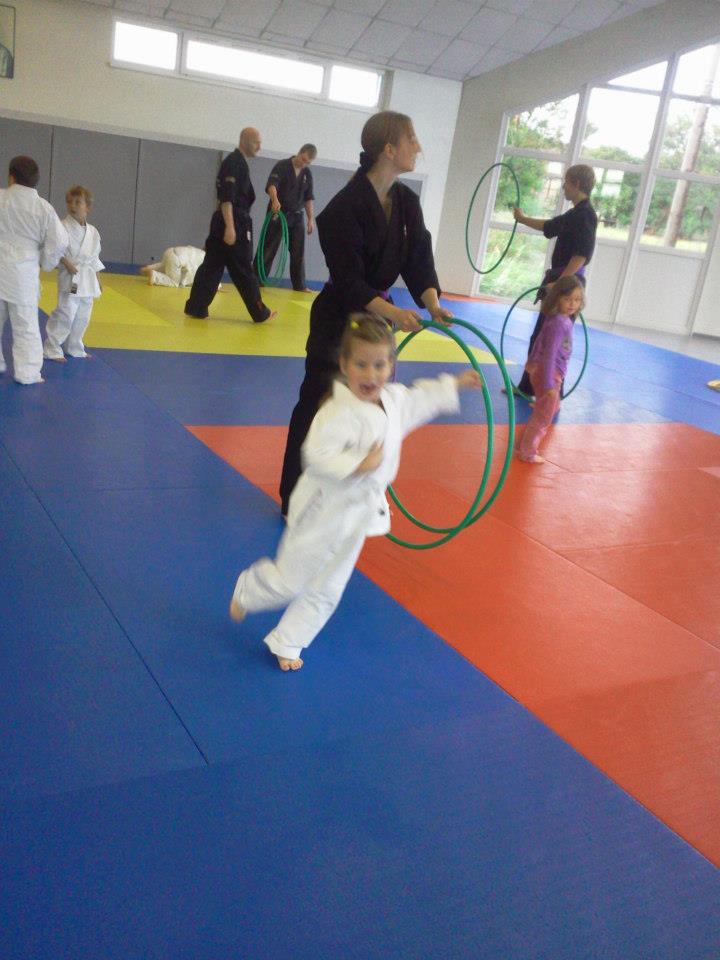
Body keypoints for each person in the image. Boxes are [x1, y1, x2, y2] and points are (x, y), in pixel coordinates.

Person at [230, 313, 481, 671]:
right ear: (345, 365)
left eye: (379, 364)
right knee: (292, 580)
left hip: (358, 513)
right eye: (361, 364)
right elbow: (315, 454)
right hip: (323, 509)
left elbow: (421, 399)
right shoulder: (336, 411)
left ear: (391, 366)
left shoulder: (394, 400)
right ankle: (249, 590)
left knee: (328, 588)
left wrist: (454, 383)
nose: (370, 374)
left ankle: (288, 641)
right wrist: (360, 464)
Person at [278, 110, 451, 516]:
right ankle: (294, 497)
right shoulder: (343, 208)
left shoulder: (407, 202)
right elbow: (350, 279)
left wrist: (431, 303)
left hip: (374, 324)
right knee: (318, 404)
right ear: (389, 149)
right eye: (412, 140)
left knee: (368, 407)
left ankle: (347, 491)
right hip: (338, 322)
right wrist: (392, 312)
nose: (418, 147)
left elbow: (418, 257)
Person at [512, 164, 597, 397]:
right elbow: (550, 226)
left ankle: (552, 391)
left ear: (577, 184)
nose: (563, 187)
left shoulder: (586, 215)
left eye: (566, 182)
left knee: (556, 338)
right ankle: (528, 387)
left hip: (569, 286)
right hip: (563, 281)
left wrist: (561, 281)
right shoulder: (575, 214)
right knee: (540, 335)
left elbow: (582, 254)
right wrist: (522, 219)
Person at [184, 128, 276, 324]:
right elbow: (227, 198)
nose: (259, 147)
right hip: (233, 221)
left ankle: (197, 306)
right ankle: (260, 312)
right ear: (244, 140)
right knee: (242, 268)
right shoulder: (234, 163)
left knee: (212, 265)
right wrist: (230, 227)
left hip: (225, 221)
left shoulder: (238, 163)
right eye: (255, 142)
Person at [0, 155, 67, 384]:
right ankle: (27, 373)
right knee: (25, 325)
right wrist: (46, 262)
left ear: (11, 176)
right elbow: (59, 242)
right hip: (23, 273)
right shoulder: (43, 208)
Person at [516, 276, 584, 464]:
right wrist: (548, 385)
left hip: (547, 372)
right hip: (549, 374)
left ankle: (521, 444)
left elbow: (539, 341)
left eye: (577, 299)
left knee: (548, 408)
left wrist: (531, 361)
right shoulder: (559, 323)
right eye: (567, 298)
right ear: (557, 298)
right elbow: (550, 354)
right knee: (543, 417)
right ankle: (527, 452)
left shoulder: (556, 319)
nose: (572, 304)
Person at [43, 185, 103, 362]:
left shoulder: (93, 231)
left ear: (88, 207)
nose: (73, 205)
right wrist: (66, 262)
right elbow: (54, 249)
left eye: (78, 202)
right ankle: (51, 348)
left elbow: (94, 257)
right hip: (72, 277)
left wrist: (99, 279)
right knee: (66, 311)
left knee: (84, 313)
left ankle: (74, 346)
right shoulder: (61, 226)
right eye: (70, 202)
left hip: (87, 278)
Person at [257, 144, 316, 292]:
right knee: (268, 247)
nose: (304, 164)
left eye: (307, 162)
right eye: (303, 159)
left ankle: (299, 285)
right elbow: (272, 185)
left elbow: (308, 198)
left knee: (298, 252)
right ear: (299, 152)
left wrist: (310, 219)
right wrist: (275, 200)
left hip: (296, 217)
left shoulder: (307, 174)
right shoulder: (282, 166)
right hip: (279, 212)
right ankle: (257, 280)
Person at [139, 246, 206, 287]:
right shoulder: (205, 260)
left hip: (170, 251)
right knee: (174, 282)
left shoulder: (197, 251)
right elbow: (191, 275)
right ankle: (155, 275)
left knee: (165, 266)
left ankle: (149, 268)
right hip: (178, 260)